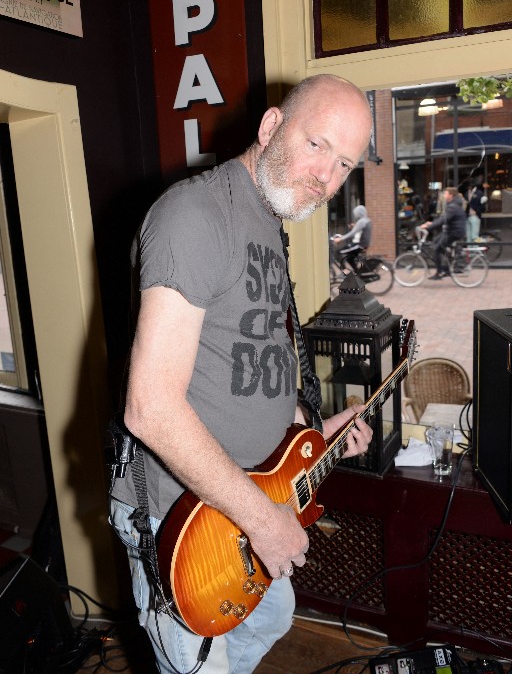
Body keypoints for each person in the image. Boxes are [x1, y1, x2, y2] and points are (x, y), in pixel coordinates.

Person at [109, 74, 374, 674]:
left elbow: (250, 365)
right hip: (183, 516)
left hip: (257, 494)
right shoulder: (195, 215)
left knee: (274, 618)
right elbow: (149, 407)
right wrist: (263, 520)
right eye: (316, 146)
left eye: (343, 164)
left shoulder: (270, 221)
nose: (326, 178)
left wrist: (319, 431)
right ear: (271, 127)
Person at [420, 187, 467, 280]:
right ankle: (447, 266)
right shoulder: (452, 204)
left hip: (454, 232)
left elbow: (444, 219)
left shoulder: (453, 206)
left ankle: (440, 272)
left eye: (445, 194)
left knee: (437, 249)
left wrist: (429, 227)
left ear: (451, 195)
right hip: (451, 230)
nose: (444, 195)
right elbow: (443, 217)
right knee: (435, 242)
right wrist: (431, 223)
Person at [331, 204, 372, 271]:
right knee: (349, 258)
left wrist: (340, 239)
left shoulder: (361, 221)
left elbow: (352, 233)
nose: (356, 215)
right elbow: (361, 230)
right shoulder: (367, 220)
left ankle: (344, 271)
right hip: (364, 244)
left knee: (338, 252)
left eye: (356, 213)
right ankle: (357, 273)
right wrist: (355, 226)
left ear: (359, 213)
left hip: (359, 245)